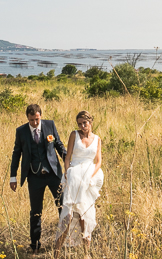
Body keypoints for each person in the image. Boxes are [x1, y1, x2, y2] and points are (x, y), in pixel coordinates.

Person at [11, 103, 67, 254]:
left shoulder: (50, 125)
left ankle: (61, 244)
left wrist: (69, 162)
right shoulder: (21, 131)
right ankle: (35, 245)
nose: (35, 123)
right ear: (27, 119)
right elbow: (16, 154)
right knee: (36, 212)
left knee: (62, 207)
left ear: (40, 116)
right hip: (34, 177)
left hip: (54, 174)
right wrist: (13, 177)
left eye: (37, 119)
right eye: (31, 120)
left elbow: (59, 145)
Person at [54, 110, 104, 257]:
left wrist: (90, 177)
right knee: (68, 215)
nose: (82, 126)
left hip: (89, 177)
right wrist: (68, 172)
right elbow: (67, 157)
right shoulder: (74, 135)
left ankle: (86, 253)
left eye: (85, 123)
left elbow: (98, 161)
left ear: (90, 122)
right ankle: (56, 253)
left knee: (85, 216)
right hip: (74, 175)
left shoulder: (97, 139)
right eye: (80, 123)